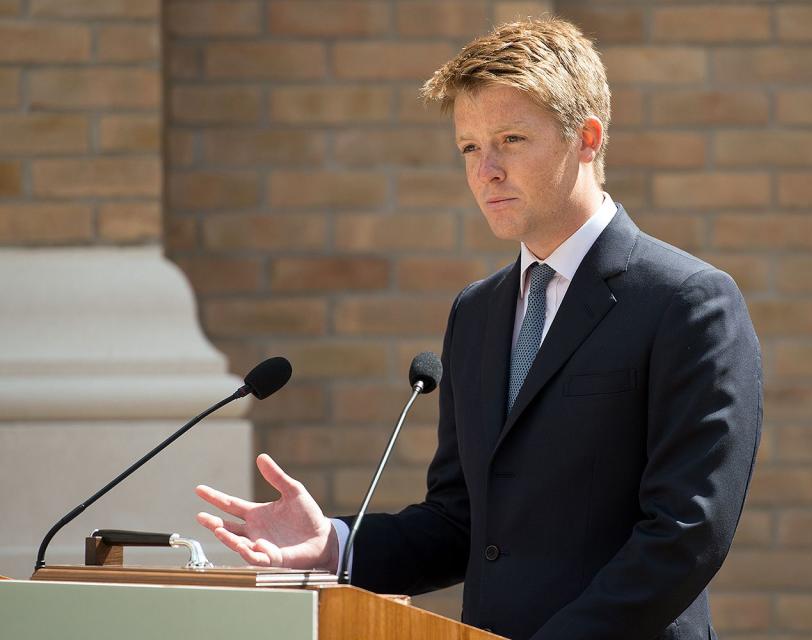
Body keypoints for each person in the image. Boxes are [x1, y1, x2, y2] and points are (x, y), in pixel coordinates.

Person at [196, 17, 762, 640]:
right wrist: (336, 544)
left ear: (587, 139)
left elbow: (687, 534)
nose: (485, 169)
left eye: (511, 139)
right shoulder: (477, 312)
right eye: (469, 147)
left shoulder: (688, 302)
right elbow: (462, 523)